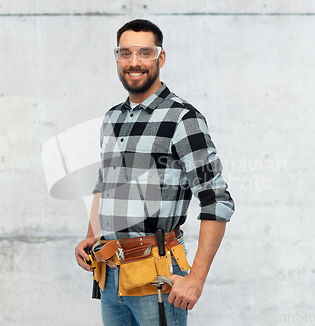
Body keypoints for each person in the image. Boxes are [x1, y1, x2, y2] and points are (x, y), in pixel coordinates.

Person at [75, 19, 234, 326]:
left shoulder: (182, 118)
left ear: (160, 58)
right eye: (125, 53)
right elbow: (105, 182)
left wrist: (197, 279)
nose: (134, 62)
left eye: (144, 53)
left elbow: (216, 200)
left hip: (158, 275)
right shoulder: (113, 118)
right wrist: (91, 235)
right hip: (109, 275)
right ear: (117, 58)